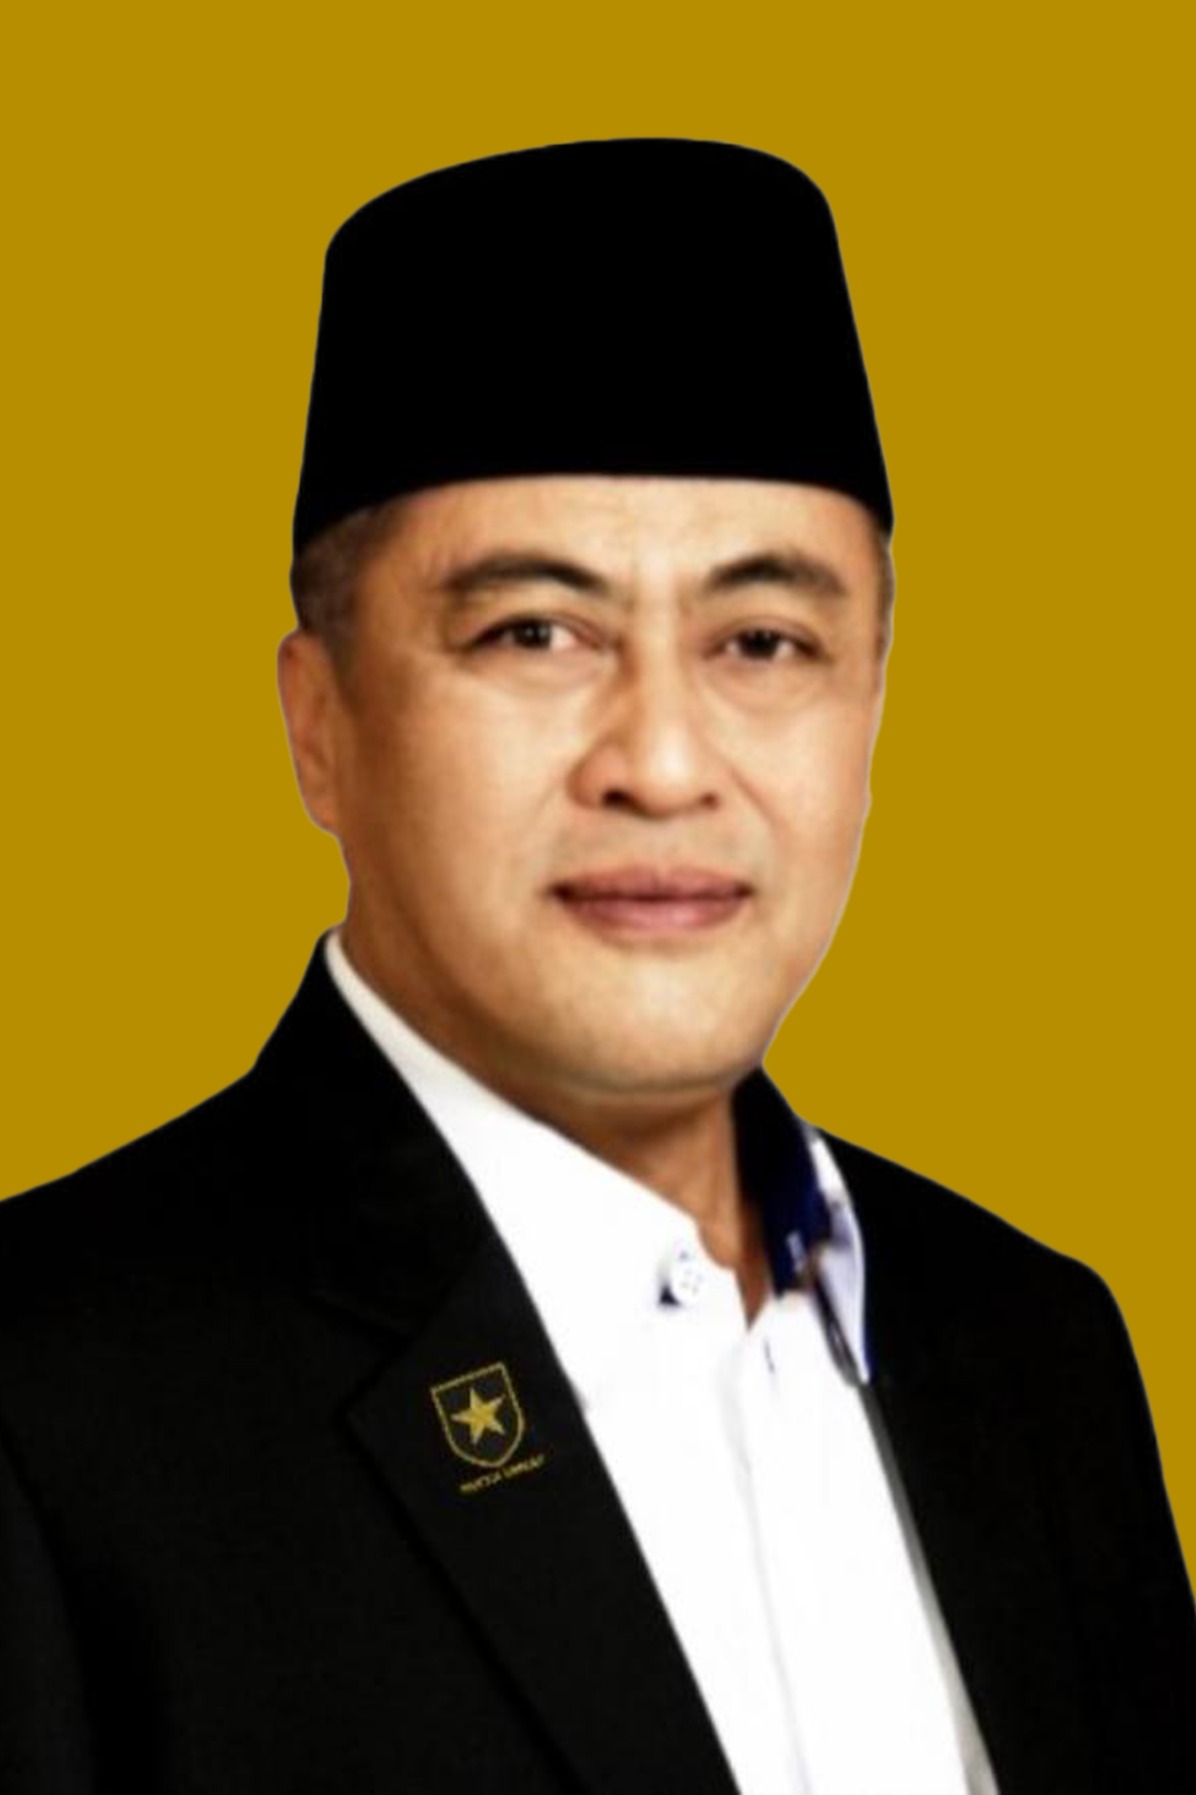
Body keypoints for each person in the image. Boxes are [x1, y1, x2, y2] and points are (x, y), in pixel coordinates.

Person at [1, 138, 1192, 1795]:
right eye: (535, 634)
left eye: (762, 642)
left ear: (871, 700)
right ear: (320, 724)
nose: (664, 762)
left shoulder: (1034, 1345)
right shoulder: (48, 1401)